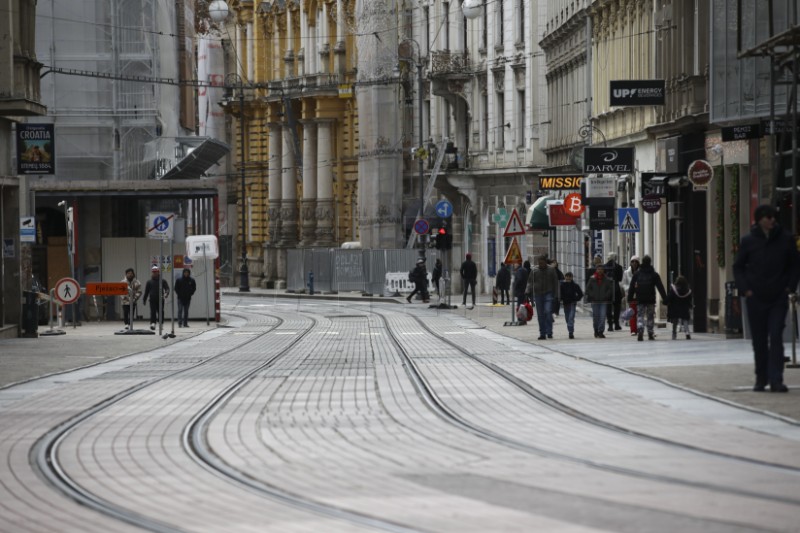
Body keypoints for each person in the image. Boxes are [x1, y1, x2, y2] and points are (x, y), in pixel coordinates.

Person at [733, 204, 800, 393]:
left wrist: (789, 287)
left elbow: (795, 265)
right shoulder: (749, 241)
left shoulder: (785, 239)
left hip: (778, 297)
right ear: (759, 219)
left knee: (776, 335)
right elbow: (738, 266)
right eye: (767, 217)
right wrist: (745, 289)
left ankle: (776, 378)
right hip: (756, 297)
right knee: (759, 340)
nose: (771, 220)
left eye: (773, 217)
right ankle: (761, 378)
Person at [627, 255, 668, 341]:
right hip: (650, 298)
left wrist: (630, 298)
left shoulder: (637, 274)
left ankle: (640, 329)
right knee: (650, 316)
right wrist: (665, 298)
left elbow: (632, 287)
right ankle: (650, 332)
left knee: (640, 315)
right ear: (650, 262)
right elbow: (660, 287)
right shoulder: (654, 274)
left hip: (640, 298)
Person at [528, 254, 559, 340]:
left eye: (542, 263)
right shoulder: (534, 270)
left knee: (548, 312)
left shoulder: (551, 270)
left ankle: (549, 332)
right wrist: (527, 290)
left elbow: (555, 283)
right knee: (540, 315)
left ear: (545, 262)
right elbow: (530, 282)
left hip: (548, 293)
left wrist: (556, 295)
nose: (541, 265)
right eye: (539, 263)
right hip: (538, 295)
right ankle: (542, 333)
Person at [585, 264, 614, 338]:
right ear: (596, 270)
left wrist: (606, 296)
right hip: (595, 301)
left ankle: (601, 331)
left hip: (603, 301)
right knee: (596, 316)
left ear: (603, 270)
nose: (600, 270)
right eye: (598, 269)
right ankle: (596, 330)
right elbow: (588, 289)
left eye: (601, 269)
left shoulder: (606, 279)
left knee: (603, 316)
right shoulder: (592, 279)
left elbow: (610, 289)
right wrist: (593, 295)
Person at [143, 265, 170, 330]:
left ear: (158, 272)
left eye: (156, 272)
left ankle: (161, 324)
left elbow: (167, 288)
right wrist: (144, 299)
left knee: (161, 312)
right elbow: (146, 291)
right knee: (153, 312)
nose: (154, 273)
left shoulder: (163, 281)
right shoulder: (149, 282)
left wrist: (166, 293)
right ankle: (153, 323)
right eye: (153, 272)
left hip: (160, 299)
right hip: (152, 299)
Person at [667, 275, 693, 340]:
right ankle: (687, 333)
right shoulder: (687, 290)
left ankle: (674, 334)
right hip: (684, 308)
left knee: (675, 322)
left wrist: (665, 302)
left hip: (675, 308)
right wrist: (690, 305)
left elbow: (669, 297)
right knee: (685, 320)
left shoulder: (674, 289)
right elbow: (689, 299)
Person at [560, 271, 584, 339]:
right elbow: (560, 294)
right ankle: (570, 329)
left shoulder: (575, 285)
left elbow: (580, 294)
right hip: (565, 304)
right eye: (567, 277)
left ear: (571, 278)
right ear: (565, 277)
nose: (568, 278)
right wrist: (561, 299)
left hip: (572, 303)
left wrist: (576, 299)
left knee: (571, 317)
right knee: (567, 318)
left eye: (569, 277)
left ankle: (571, 332)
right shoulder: (562, 285)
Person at [621, 255, 641, 336]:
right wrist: (630, 288)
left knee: (640, 313)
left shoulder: (641, 272)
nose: (634, 263)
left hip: (640, 295)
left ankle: (639, 328)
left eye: (636, 262)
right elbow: (623, 284)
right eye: (632, 261)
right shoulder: (626, 272)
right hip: (630, 294)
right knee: (632, 312)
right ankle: (633, 330)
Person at [604, 253, 624, 330]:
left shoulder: (604, 267)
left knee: (608, 307)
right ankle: (616, 324)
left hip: (607, 289)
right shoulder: (619, 267)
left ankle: (610, 325)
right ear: (615, 258)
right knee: (617, 307)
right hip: (616, 289)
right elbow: (620, 279)